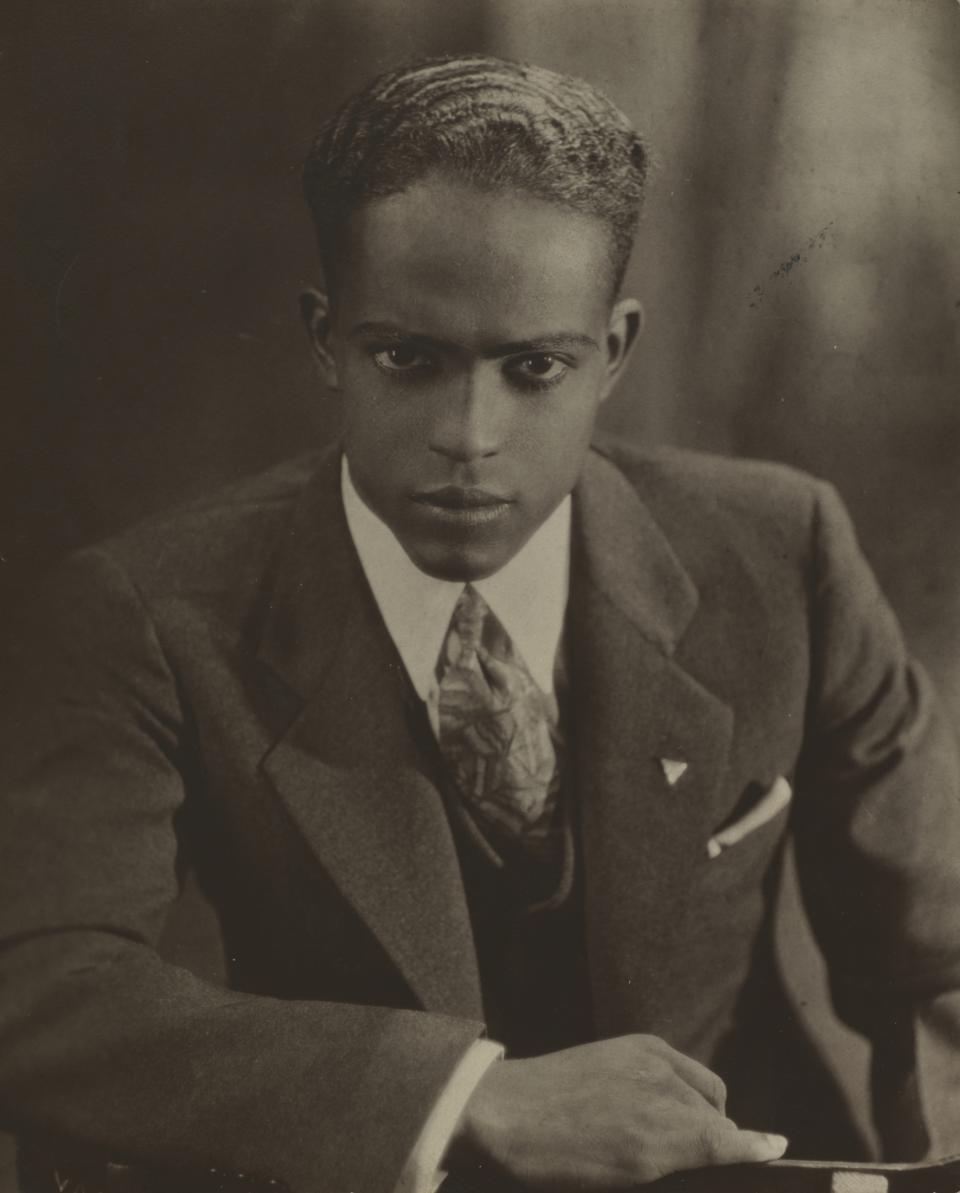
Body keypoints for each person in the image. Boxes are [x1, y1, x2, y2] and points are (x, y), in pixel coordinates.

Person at [1, 53, 959, 1193]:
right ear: (324, 338)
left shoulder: (781, 550)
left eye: (534, 367)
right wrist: (465, 1093)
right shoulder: (150, 611)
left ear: (614, 352)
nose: (469, 433)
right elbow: (41, 983)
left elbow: (941, 951)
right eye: (408, 359)